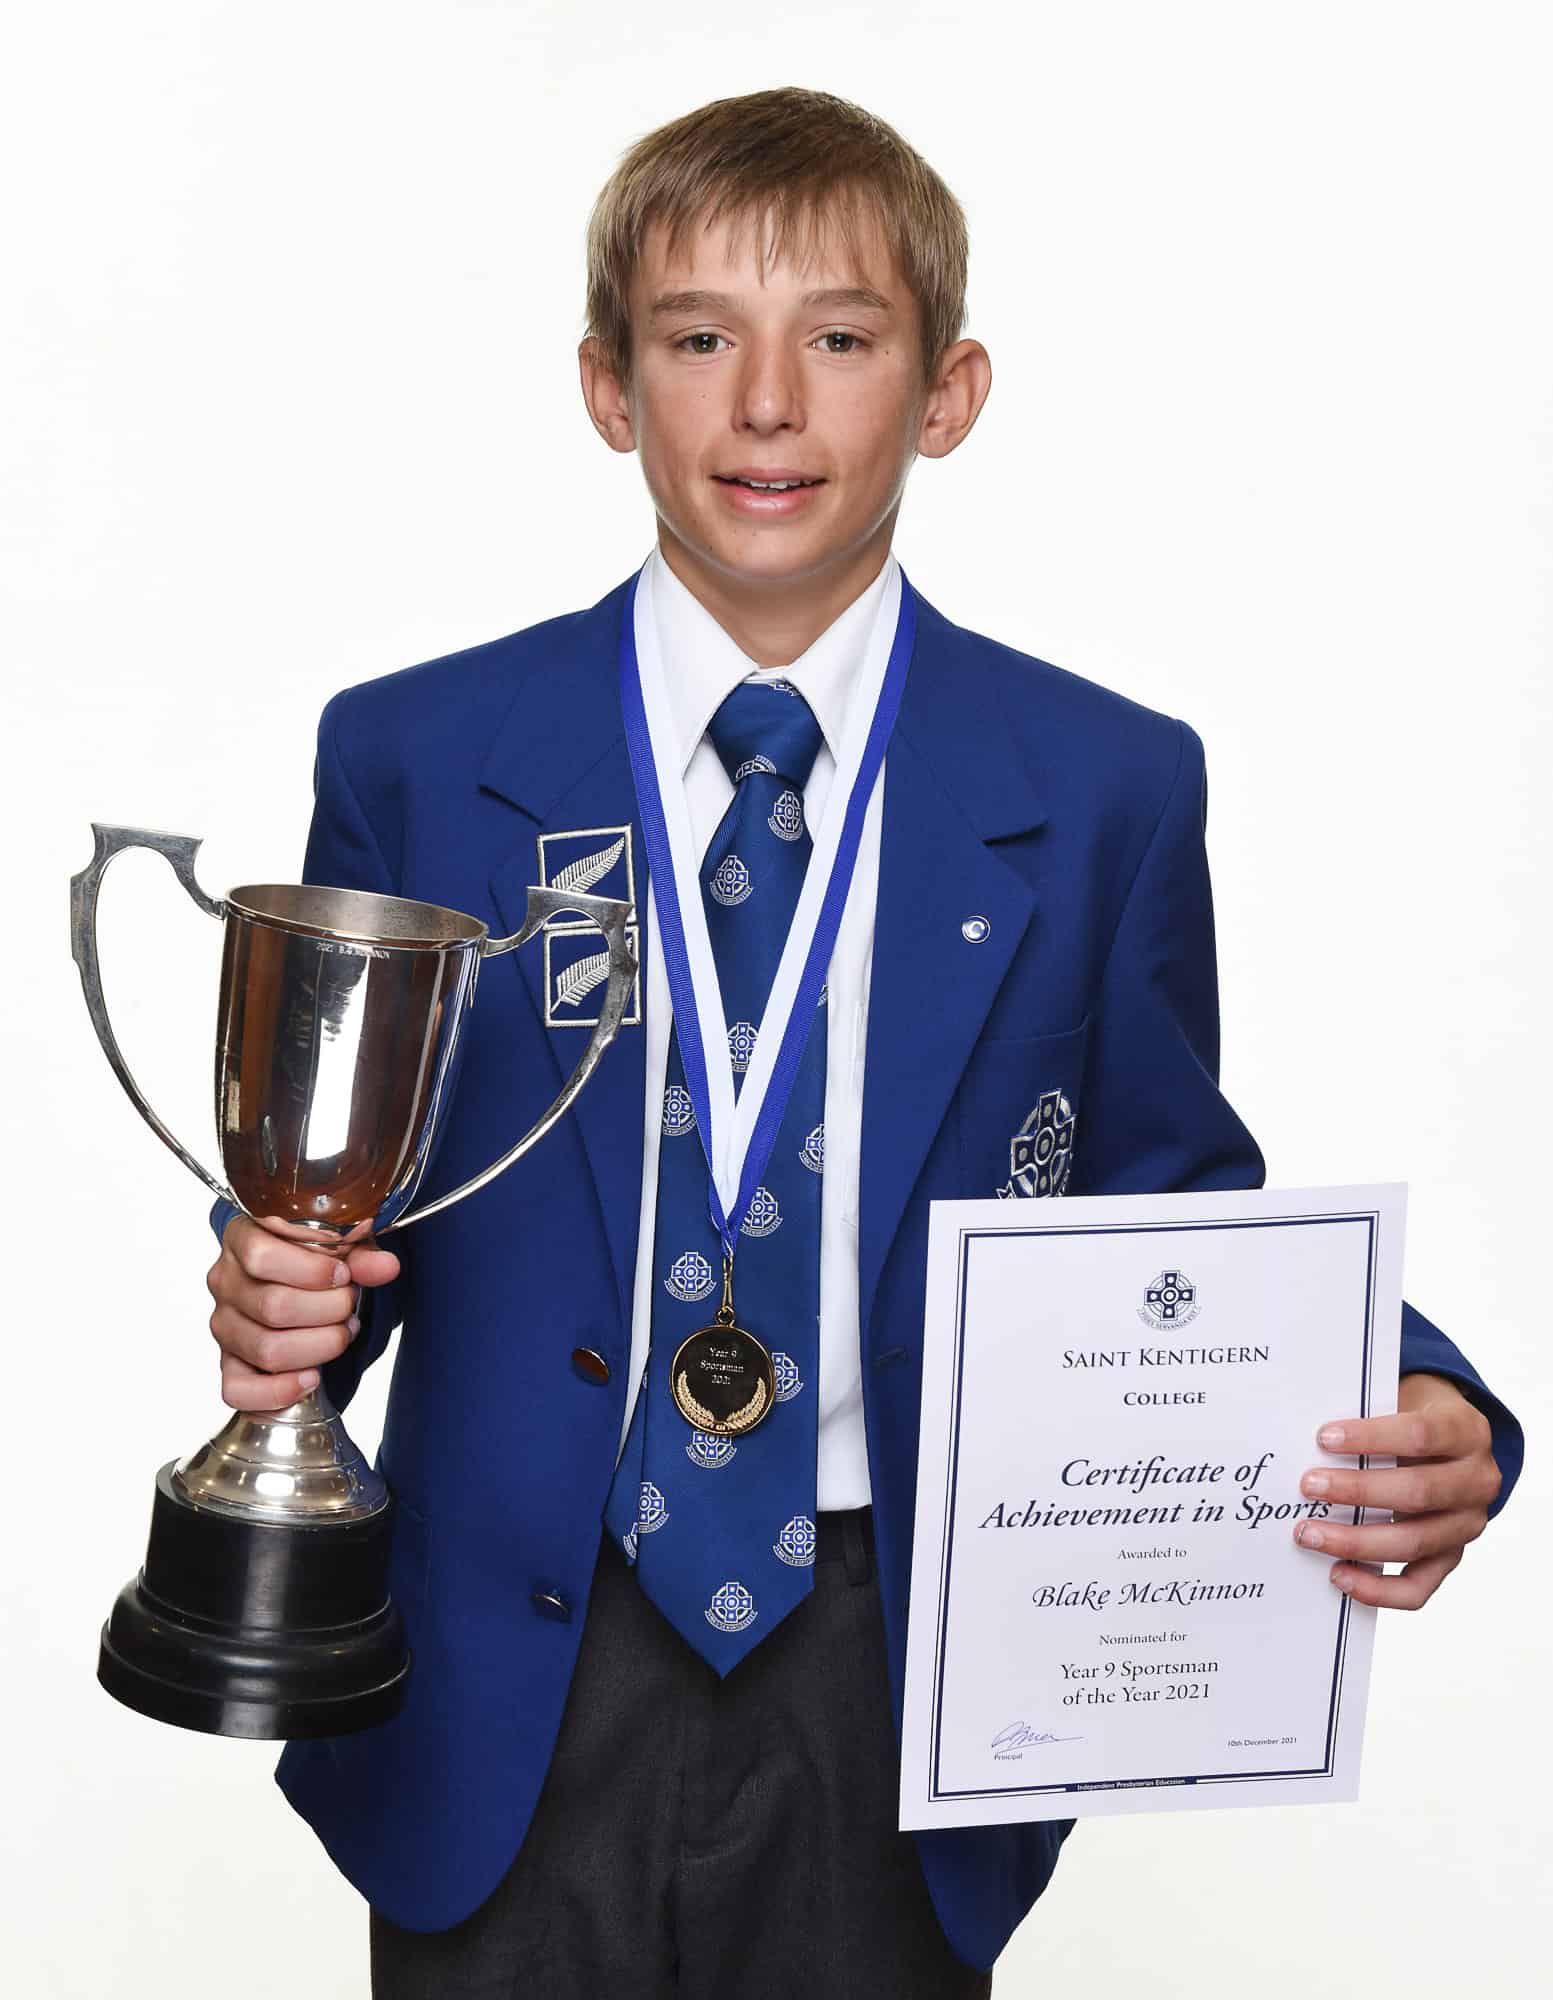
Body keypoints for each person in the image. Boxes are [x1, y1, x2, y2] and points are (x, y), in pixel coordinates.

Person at [203, 87, 1524, 1998]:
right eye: (695, 339)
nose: (765, 404)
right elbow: (342, 1180)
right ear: (606, 387)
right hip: (508, 1658)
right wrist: (275, 1287)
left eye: (838, 338)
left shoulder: (1100, 783)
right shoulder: (421, 753)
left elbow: (1163, 1204)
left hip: (891, 1667)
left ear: (946, 391)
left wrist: (1414, 1392)